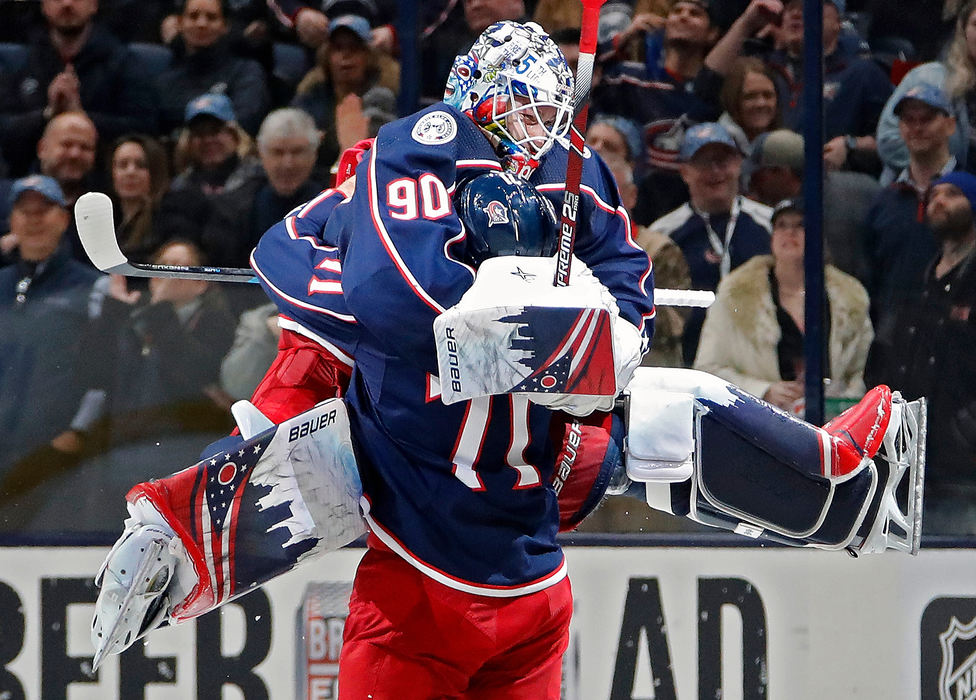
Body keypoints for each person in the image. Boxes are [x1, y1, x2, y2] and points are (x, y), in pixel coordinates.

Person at [88, 21, 924, 696]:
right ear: (479, 100)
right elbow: (366, 298)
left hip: (533, 555)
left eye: (549, 116)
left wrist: (595, 339)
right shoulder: (427, 143)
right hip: (418, 561)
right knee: (313, 421)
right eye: (522, 112)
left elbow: (628, 299)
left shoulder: (572, 168)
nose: (539, 134)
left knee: (664, 414)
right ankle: (186, 529)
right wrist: (498, 301)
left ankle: (841, 485)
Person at [865, 171, 976, 534]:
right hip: (911, 467)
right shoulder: (918, 279)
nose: (939, 201)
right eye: (934, 195)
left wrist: (966, 427)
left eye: (953, 194)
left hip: (963, 474)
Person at [694, 198, 873, 411]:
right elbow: (707, 369)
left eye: (801, 225)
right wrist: (764, 391)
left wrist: (838, 401)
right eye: (782, 226)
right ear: (772, 237)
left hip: (833, 425)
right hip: (760, 425)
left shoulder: (851, 298)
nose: (790, 232)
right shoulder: (734, 295)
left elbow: (862, 373)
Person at [0, 176, 102, 521]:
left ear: (63, 217)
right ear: (12, 220)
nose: (33, 218)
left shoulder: (91, 287)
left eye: (43, 209)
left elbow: (105, 367)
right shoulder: (1, 284)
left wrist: (76, 433)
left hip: (51, 457)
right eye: (24, 210)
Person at [649, 121, 772, 365]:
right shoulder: (664, 234)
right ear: (684, 172)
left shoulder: (768, 224)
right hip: (688, 358)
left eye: (723, 160)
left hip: (758, 356)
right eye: (704, 162)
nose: (716, 171)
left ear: (738, 164)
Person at [0, 0, 158, 177]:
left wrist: (81, 117)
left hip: (105, 178)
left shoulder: (123, 62)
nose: (67, 3)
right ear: (43, 5)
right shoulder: (19, 63)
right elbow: (5, 129)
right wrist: (48, 114)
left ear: (94, 5)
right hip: (29, 179)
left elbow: (144, 128)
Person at [862, 84, 960, 344]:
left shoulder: (970, 195)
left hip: (956, 342)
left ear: (950, 125)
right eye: (908, 119)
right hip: (893, 342)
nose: (916, 127)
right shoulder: (883, 202)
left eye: (927, 118)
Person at [763, 0, 892, 174]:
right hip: (769, 179)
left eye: (806, 7)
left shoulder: (863, 73)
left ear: (837, 23)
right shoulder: (765, 69)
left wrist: (851, 145)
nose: (795, 14)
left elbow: (893, 137)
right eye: (790, 8)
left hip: (832, 181)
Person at [202, 107, 324, 269]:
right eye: (277, 152)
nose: (287, 164)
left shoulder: (335, 206)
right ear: (261, 153)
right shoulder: (230, 210)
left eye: (297, 152)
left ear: (313, 153)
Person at [875, 0, 976, 181]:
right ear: (963, 31)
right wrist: (945, 166)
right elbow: (889, 142)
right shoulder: (927, 78)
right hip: (919, 195)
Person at [291, 13, 399, 182]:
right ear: (327, 55)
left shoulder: (385, 96)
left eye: (354, 48)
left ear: (369, 55)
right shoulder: (310, 94)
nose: (345, 56)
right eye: (338, 48)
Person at [155, 0, 271, 137]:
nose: (201, 24)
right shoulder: (165, 80)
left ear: (225, 26)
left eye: (211, 17)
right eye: (193, 16)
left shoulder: (245, 72)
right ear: (180, 23)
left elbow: (245, 121)